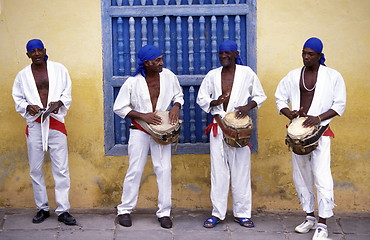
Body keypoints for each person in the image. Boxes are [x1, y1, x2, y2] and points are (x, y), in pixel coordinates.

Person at [275, 37, 346, 239]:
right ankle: (309, 217)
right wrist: (289, 113)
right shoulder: (293, 75)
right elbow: (279, 97)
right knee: (301, 177)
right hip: (297, 135)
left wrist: (318, 118)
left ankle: (323, 224)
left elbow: (339, 104)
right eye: (304, 53)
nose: (306, 57)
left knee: (322, 176)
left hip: (321, 134)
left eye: (310, 54)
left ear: (319, 55)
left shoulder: (332, 76)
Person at [196, 40, 267, 228]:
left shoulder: (247, 73)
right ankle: (217, 214)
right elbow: (201, 98)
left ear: (236, 54)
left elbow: (260, 96)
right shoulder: (212, 75)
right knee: (218, 172)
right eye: (221, 53)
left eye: (227, 53)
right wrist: (215, 102)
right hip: (218, 128)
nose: (223, 56)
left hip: (240, 130)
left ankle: (242, 213)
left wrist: (247, 106)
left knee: (241, 171)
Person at [113, 45, 184, 229]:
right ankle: (125, 210)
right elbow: (119, 107)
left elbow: (179, 94)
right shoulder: (132, 82)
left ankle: (164, 212)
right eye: (157, 60)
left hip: (161, 130)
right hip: (139, 129)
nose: (162, 63)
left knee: (164, 169)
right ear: (146, 63)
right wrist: (143, 116)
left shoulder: (168, 76)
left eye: (162, 59)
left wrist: (176, 106)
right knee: (135, 169)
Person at [12, 39, 76, 225]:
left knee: (61, 168)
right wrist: (27, 106)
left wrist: (58, 103)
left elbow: (67, 92)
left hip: (55, 122)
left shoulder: (59, 70)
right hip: (35, 125)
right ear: (28, 55)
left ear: (45, 51)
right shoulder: (22, 75)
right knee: (35, 168)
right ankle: (42, 208)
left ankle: (63, 210)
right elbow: (18, 98)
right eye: (33, 51)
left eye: (40, 50)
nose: (37, 53)